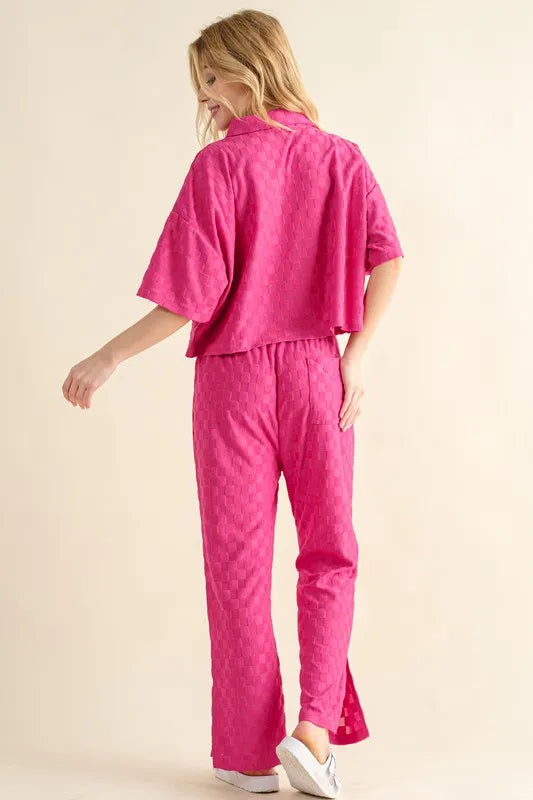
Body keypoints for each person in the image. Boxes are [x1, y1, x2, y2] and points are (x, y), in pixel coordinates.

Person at [61, 9, 404, 798]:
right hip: (318, 372)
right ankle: (312, 735)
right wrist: (355, 357)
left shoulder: (218, 167)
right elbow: (387, 260)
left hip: (233, 383)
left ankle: (249, 757)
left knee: (236, 564)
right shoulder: (339, 158)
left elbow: (188, 299)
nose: (205, 95)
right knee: (329, 551)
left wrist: (106, 357)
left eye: (212, 77)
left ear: (251, 69)